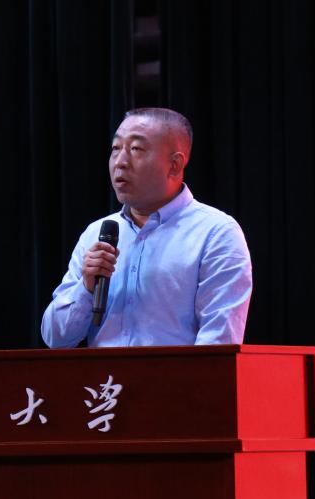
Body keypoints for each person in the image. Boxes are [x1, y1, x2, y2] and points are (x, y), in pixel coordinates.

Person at [40, 107, 252, 348]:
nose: (120, 162)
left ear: (175, 165)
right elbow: (55, 339)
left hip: (175, 374)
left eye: (136, 149)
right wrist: (86, 287)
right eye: (116, 148)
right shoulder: (96, 233)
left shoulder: (216, 233)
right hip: (103, 374)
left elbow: (218, 344)